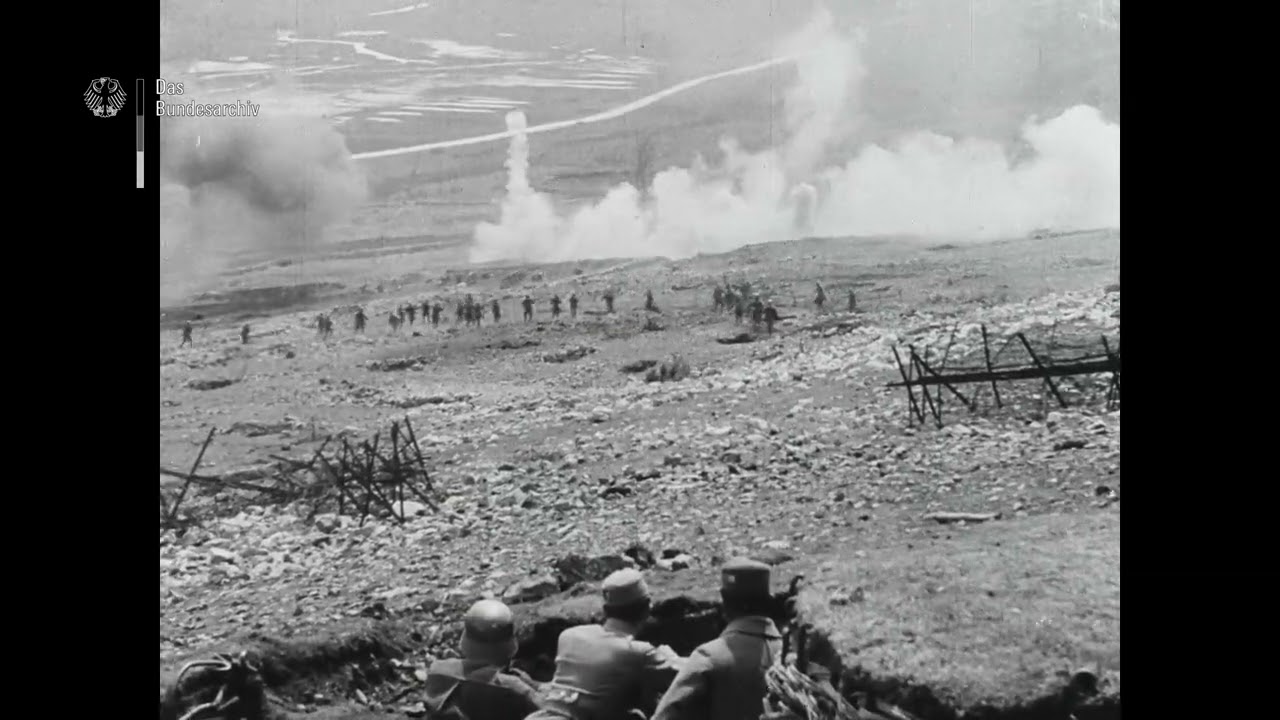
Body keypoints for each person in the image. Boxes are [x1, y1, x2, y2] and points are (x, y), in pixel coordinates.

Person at [528, 569, 684, 720]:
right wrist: (669, 655)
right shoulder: (638, 652)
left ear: (605, 609)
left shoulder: (568, 635)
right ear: (647, 607)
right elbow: (689, 674)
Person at [651, 559, 783, 720]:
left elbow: (664, 716)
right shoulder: (792, 657)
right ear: (769, 600)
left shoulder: (709, 657)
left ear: (723, 599)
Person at [422, 600, 545, 720]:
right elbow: (549, 709)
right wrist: (534, 686)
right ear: (507, 647)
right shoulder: (514, 687)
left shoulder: (438, 670)